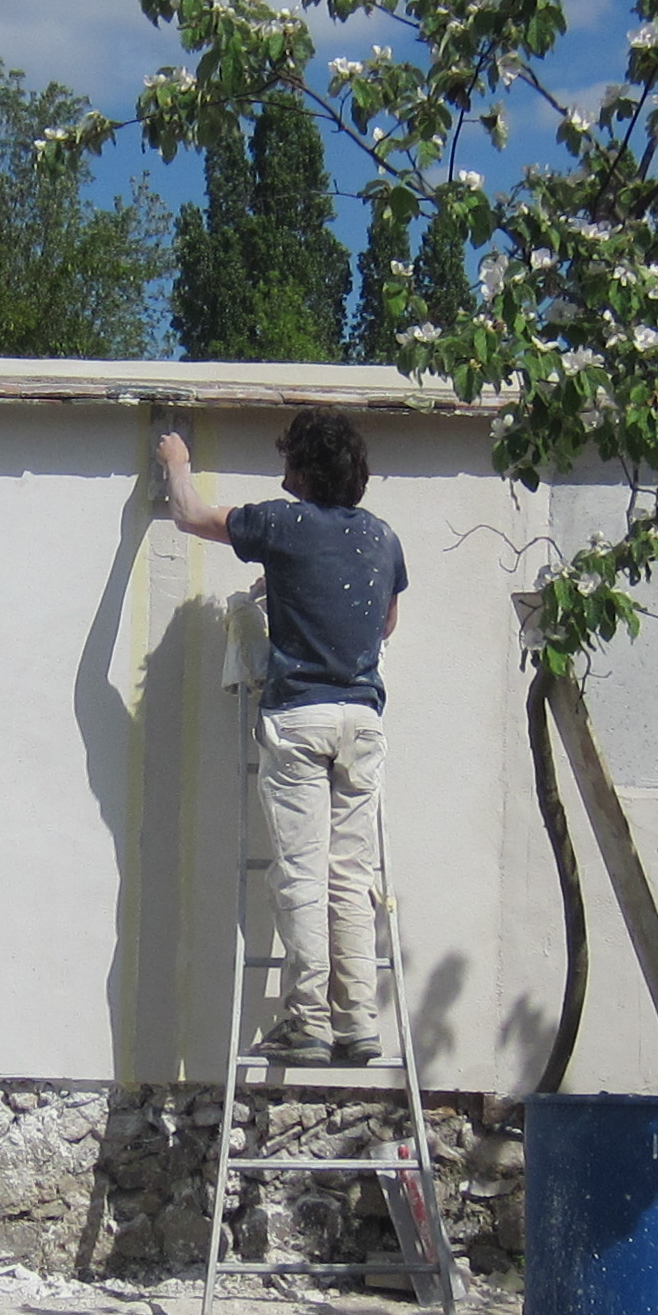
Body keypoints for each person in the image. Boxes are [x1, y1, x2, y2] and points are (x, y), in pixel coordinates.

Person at [157, 411, 407, 1063]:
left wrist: (176, 457)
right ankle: (358, 1023)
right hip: (363, 721)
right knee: (352, 879)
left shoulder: (282, 523)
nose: (281, 474)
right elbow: (383, 626)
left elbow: (189, 514)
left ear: (303, 470)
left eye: (288, 462)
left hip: (299, 718)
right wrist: (302, 598)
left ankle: (308, 1026)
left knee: (300, 875)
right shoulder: (382, 538)